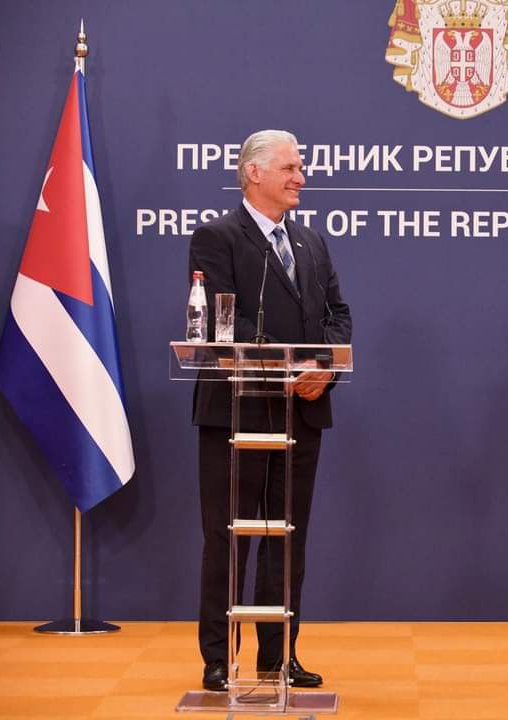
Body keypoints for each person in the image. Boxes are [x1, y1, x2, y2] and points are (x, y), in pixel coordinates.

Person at [189, 129, 352, 691]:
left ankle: (278, 656)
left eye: (300, 167)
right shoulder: (217, 237)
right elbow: (222, 320)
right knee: (228, 537)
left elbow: (338, 315)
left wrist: (324, 369)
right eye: (289, 168)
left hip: (301, 412)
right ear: (254, 172)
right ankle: (218, 658)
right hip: (236, 413)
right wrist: (289, 365)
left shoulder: (311, 242)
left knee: (288, 538)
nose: (300, 177)